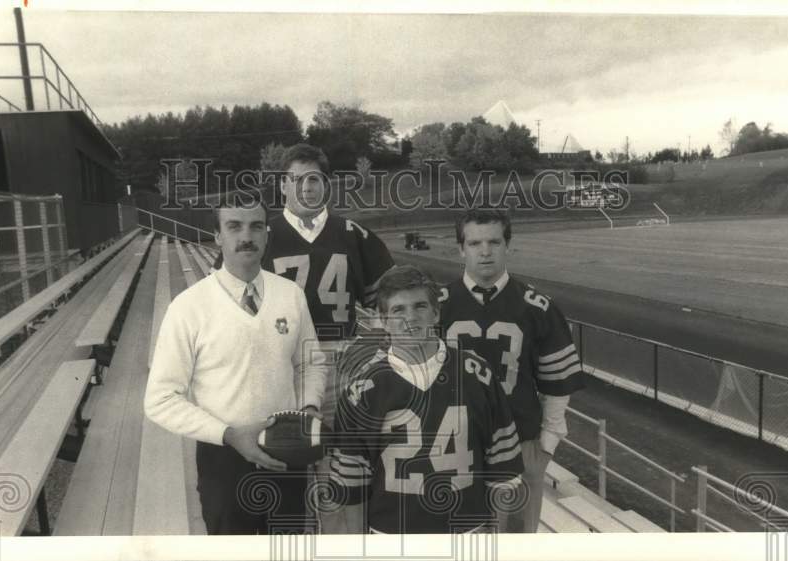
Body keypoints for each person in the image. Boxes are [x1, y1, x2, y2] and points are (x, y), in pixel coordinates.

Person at [144, 191, 327, 535]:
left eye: (256, 226)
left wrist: (309, 407)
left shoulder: (290, 294)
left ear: (266, 234)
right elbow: (160, 399)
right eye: (234, 226)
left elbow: (310, 363)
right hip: (224, 461)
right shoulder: (188, 307)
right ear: (217, 235)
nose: (246, 236)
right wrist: (228, 435)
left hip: (287, 452)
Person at [327, 266, 524, 534]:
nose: (411, 318)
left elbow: (503, 470)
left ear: (436, 313)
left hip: (468, 532)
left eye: (420, 306)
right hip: (391, 537)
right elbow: (352, 486)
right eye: (398, 310)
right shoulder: (362, 391)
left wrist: (499, 541)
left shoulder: (477, 376)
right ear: (383, 320)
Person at [260, 143, 395, 528]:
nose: (306, 187)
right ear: (282, 186)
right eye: (296, 179)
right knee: (285, 471)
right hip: (280, 366)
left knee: (339, 473)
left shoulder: (353, 234)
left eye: (314, 179)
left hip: (341, 364)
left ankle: (338, 546)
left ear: (327, 185)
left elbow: (391, 304)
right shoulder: (261, 235)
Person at [439, 209, 585, 533]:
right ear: (461, 248)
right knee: (459, 542)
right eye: (475, 243)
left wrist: (546, 444)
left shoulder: (538, 306)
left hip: (521, 444)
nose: (485, 251)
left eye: (494, 242)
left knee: (516, 544)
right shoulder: (438, 305)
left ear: (508, 245)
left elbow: (558, 383)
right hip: (454, 446)